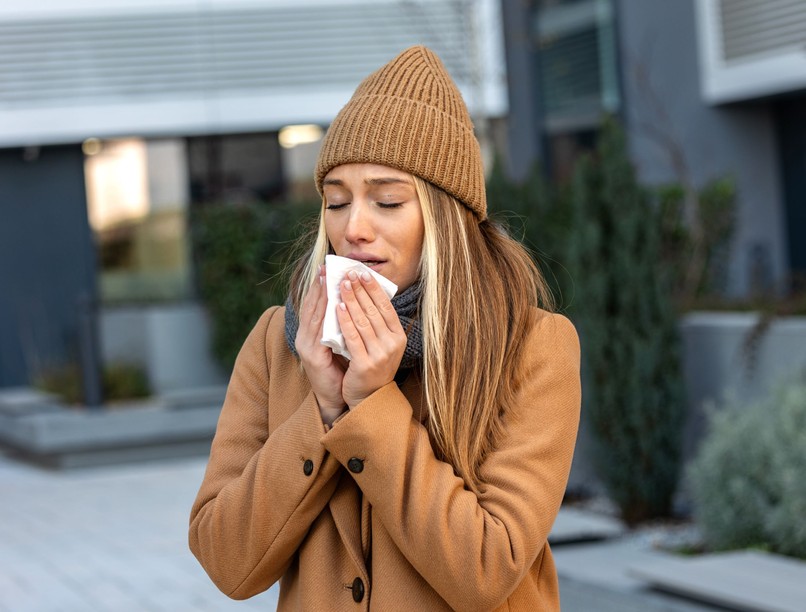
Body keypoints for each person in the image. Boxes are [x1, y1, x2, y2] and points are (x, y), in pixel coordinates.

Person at [189, 45, 581, 611]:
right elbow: (227, 562)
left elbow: (486, 570)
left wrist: (369, 406)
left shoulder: (532, 348)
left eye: (388, 200)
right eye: (335, 202)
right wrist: (321, 409)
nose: (354, 227)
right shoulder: (280, 342)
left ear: (446, 218)